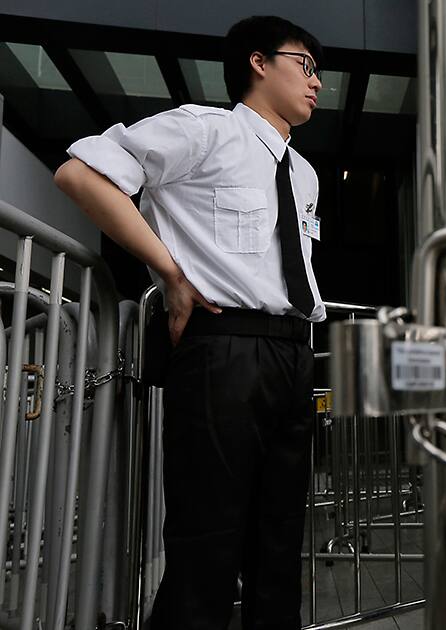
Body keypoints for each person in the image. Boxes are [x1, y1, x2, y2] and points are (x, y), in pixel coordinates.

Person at [53, 16, 325, 630]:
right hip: (223, 346)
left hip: (293, 352)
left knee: (281, 542)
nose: (317, 84)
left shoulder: (304, 174)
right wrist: (169, 274)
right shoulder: (205, 131)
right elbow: (80, 175)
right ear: (259, 62)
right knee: (209, 538)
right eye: (305, 66)